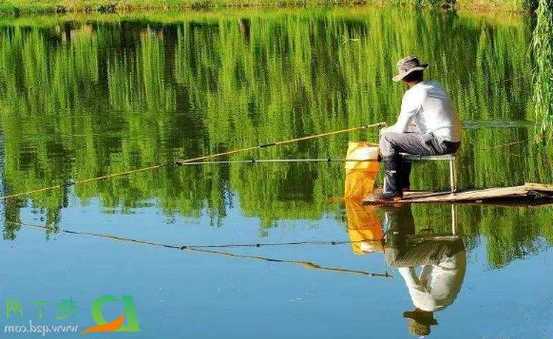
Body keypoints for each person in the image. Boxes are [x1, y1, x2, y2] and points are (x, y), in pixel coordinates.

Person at [376, 56, 462, 200]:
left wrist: (383, 131)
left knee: (387, 139)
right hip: (454, 141)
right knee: (403, 135)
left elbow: (399, 129)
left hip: (440, 143)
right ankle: (403, 185)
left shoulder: (412, 94)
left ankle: (392, 191)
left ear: (404, 79)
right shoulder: (435, 85)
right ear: (421, 73)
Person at [383, 206, 466, 337]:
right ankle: (393, 210)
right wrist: (386, 248)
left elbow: (424, 264)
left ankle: (404, 209)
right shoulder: (422, 303)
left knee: (406, 245)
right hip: (446, 254)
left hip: (457, 249)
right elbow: (407, 272)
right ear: (417, 314)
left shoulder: (444, 303)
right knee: (394, 260)